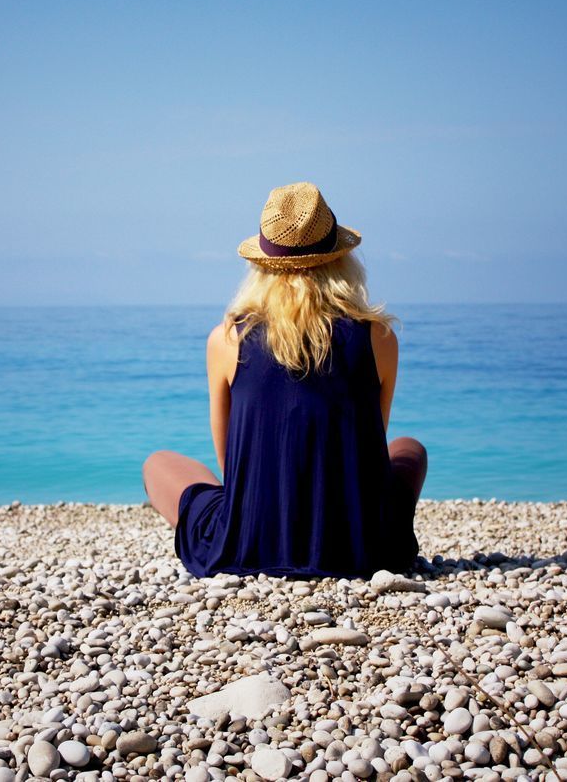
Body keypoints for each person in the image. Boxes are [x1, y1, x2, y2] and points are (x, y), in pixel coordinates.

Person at [142, 181, 428, 579]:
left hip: (249, 541)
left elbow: (229, 457)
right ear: (341, 260)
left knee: (158, 464)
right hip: (363, 546)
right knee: (408, 448)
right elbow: (373, 441)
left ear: (261, 264)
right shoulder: (378, 338)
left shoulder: (228, 338)